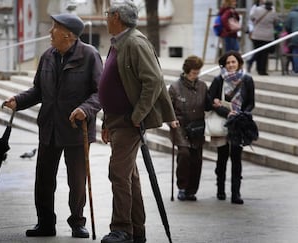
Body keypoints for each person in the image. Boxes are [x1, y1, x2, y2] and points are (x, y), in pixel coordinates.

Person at [3, 13, 103, 239]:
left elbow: (100, 93)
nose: (50, 33)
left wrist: (85, 109)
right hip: (49, 126)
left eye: (54, 28)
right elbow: (38, 90)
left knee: (77, 181)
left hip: (77, 129)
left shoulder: (90, 55)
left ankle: (77, 222)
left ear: (68, 35)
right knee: (44, 179)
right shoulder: (48, 56)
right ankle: (45, 223)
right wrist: (18, 101)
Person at [99, 1, 177, 243]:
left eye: (108, 14)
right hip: (117, 120)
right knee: (128, 176)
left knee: (118, 173)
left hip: (129, 121)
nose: (105, 18)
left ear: (117, 17)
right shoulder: (119, 42)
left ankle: (121, 228)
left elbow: (153, 81)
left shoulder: (135, 42)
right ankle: (136, 229)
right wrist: (106, 122)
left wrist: (137, 115)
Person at [208, 51, 255, 205]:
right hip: (222, 122)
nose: (231, 65)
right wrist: (227, 112)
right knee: (222, 157)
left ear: (239, 63)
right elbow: (210, 102)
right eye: (228, 63)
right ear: (224, 65)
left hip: (238, 124)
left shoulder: (247, 80)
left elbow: (251, 103)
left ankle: (236, 193)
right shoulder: (218, 80)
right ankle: (220, 189)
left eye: (233, 62)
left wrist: (241, 114)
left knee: (236, 158)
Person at [168, 56, 212, 202]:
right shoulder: (175, 88)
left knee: (197, 158)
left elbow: (208, 105)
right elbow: (168, 109)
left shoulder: (202, 86)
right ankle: (182, 187)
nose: (195, 76)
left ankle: (192, 190)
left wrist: (216, 103)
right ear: (186, 71)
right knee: (184, 154)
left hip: (197, 127)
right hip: (181, 127)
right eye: (193, 73)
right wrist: (171, 120)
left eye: (197, 73)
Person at [249, 1, 279, 75]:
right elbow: (276, 22)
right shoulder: (273, 12)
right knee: (264, 54)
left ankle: (257, 68)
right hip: (268, 36)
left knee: (258, 51)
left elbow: (252, 17)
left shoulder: (257, 9)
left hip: (257, 35)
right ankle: (262, 70)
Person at [285, 5, 298, 74]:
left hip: (295, 36)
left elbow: (287, 26)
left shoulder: (291, 14)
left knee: (295, 52)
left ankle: (296, 69)